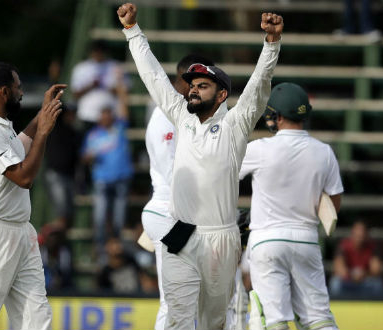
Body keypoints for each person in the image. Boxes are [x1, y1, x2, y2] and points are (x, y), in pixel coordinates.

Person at [116, 3, 283, 329]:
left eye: (202, 85)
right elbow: (153, 78)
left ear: (221, 95)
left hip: (220, 236)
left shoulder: (236, 124)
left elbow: (259, 87)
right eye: (192, 84)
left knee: (213, 322)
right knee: (177, 317)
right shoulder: (180, 116)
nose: (192, 88)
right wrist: (132, 31)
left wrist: (272, 44)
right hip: (180, 230)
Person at [0, 62, 65, 330]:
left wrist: (42, 113)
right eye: (18, 87)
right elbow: (24, 177)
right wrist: (43, 131)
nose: (21, 93)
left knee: (36, 318)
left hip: (20, 231)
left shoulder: (0, 127)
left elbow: (21, 143)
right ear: (4, 92)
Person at [239, 82, 344, 330]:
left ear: (278, 116)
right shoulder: (324, 152)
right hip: (307, 239)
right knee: (319, 319)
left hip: (267, 240)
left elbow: (223, 177)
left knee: (271, 321)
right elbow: (334, 201)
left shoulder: (260, 148)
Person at [141, 53, 214, 330]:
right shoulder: (164, 118)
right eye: (202, 83)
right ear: (187, 82)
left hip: (183, 213)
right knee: (176, 301)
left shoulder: (184, 115)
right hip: (172, 214)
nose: (204, 90)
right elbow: (175, 178)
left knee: (187, 299)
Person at [81, 74, 133, 254]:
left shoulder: (119, 126)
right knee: (100, 218)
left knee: (118, 219)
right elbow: (84, 158)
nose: (106, 117)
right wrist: (89, 157)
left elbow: (124, 107)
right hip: (102, 180)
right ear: (99, 117)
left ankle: (114, 249)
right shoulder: (92, 135)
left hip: (121, 178)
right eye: (103, 114)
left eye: (109, 113)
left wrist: (119, 85)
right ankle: (101, 251)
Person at [70, 40, 128, 127]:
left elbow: (124, 92)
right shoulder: (81, 68)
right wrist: (92, 85)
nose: (98, 54)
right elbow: (75, 94)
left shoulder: (115, 66)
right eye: (96, 51)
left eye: (101, 51)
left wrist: (107, 86)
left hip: (110, 117)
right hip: (87, 116)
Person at [44, 104, 80, 229]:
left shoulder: (74, 133)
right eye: (69, 113)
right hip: (56, 175)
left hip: (69, 176)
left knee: (69, 215)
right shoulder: (55, 128)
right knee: (62, 212)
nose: (72, 116)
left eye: (73, 114)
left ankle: (63, 243)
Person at [330, 220, 383, 296]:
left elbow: (376, 269)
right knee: (335, 282)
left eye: (362, 232)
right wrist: (351, 275)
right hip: (348, 280)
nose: (360, 234)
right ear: (352, 233)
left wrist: (364, 274)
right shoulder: (344, 245)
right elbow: (339, 268)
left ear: (367, 234)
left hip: (365, 280)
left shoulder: (372, 247)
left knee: (377, 283)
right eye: (357, 232)